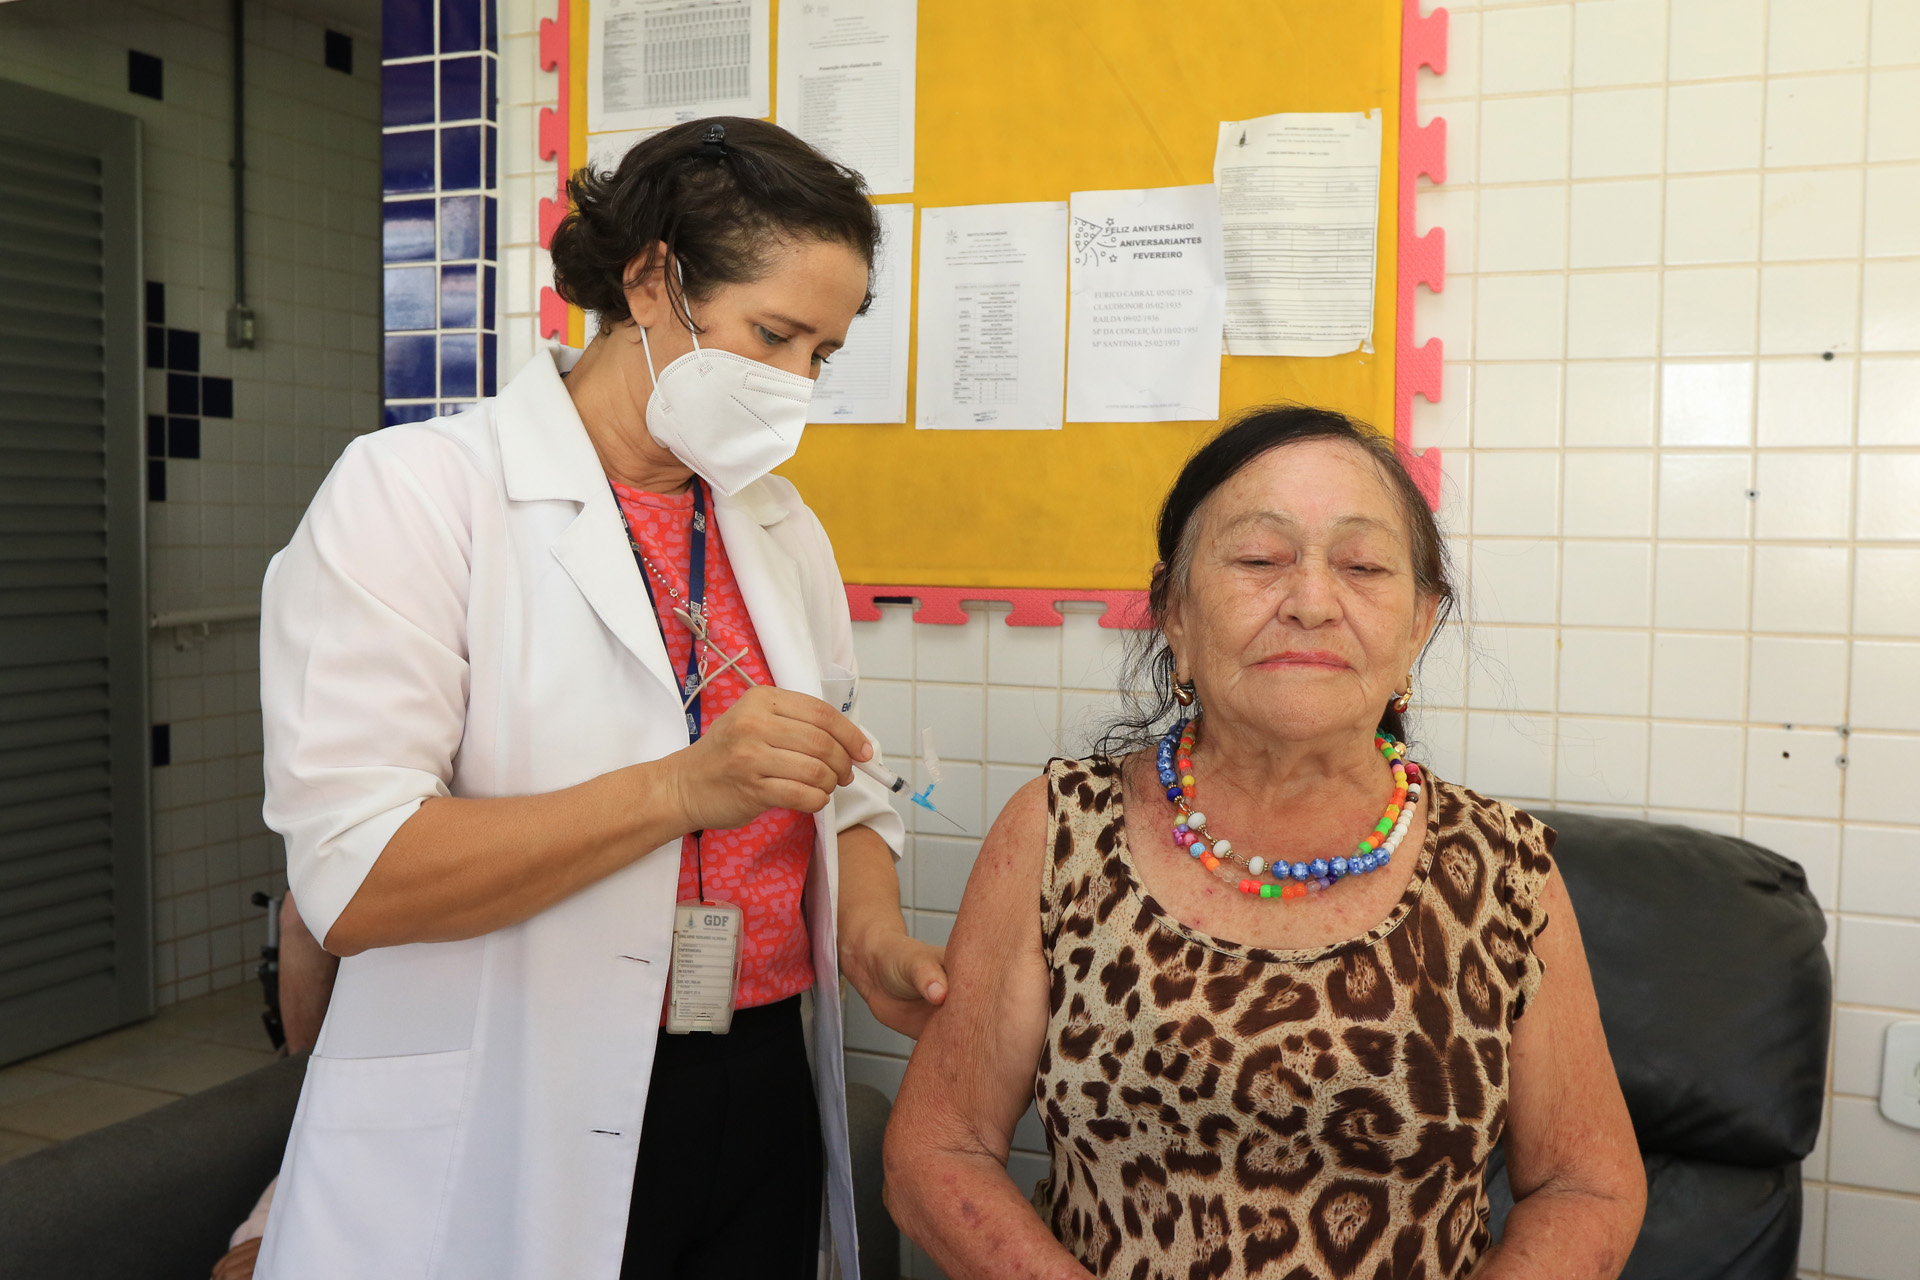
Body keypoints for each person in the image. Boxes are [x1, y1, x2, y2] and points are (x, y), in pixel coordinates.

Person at [254, 117, 945, 1280]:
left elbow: (847, 783)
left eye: (821, 353)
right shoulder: (416, 495)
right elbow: (357, 875)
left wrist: (869, 934)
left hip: (761, 1070)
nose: (795, 386)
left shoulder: (775, 526)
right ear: (651, 277)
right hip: (522, 1081)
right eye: (772, 334)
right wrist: (683, 787)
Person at [883, 407, 1645, 1279]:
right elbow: (938, 1154)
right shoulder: (1060, 831)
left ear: (1419, 628)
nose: (1313, 603)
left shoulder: (1506, 869)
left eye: (1362, 567)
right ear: (1172, 612)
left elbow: (1587, 1186)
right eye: (1258, 560)